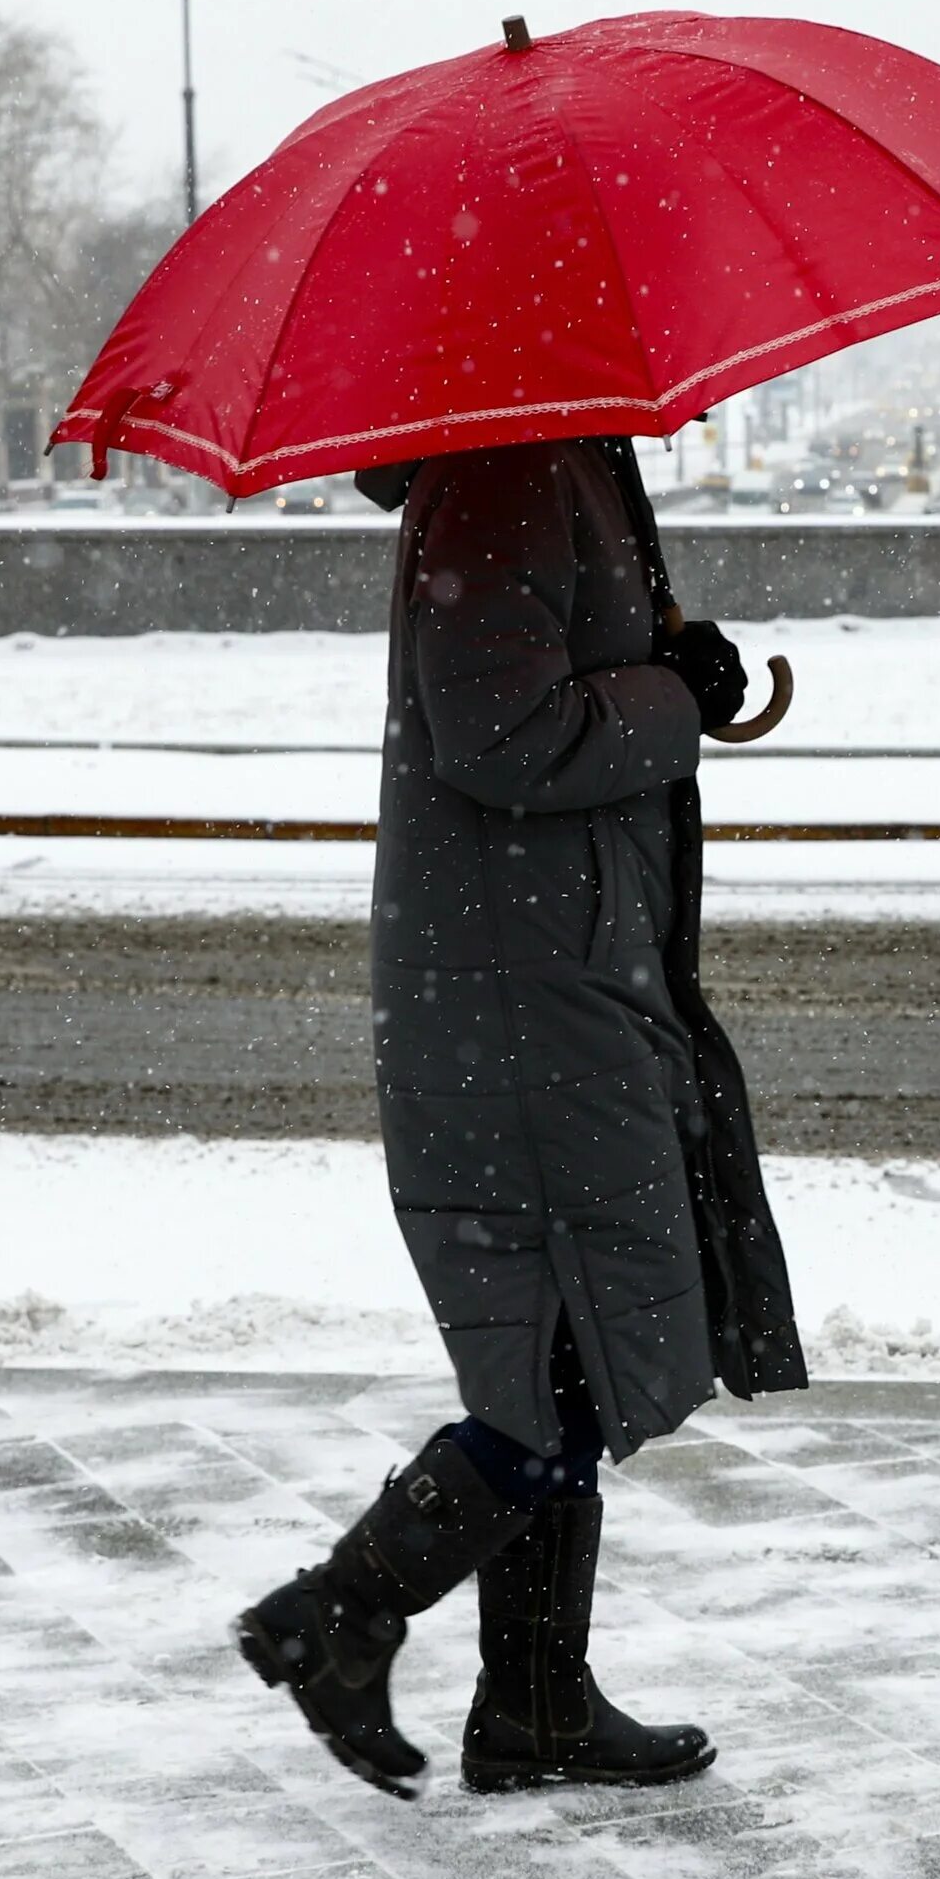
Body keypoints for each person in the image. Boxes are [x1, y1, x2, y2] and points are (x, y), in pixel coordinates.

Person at [233, 435, 808, 1800]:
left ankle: (535, 1701)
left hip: (559, 969)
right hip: (525, 990)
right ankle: (343, 1610)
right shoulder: (505, 478)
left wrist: (674, 669)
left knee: (574, 1342)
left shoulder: (556, 465)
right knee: (565, 1352)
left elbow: (556, 686)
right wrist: (671, 695)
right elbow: (501, 735)